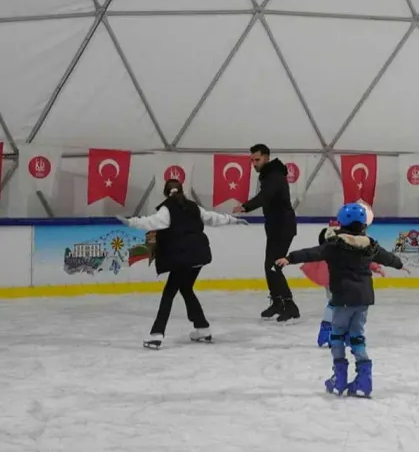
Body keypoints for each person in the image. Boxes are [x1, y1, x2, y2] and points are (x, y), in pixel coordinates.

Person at [276, 203, 404, 398]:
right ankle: (364, 381)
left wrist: (289, 258)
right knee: (357, 337)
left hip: (343, 298)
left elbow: (313, 253)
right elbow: (387, 257)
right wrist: (400, 264)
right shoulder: (370, 245)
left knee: (337, 336)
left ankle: (340, 378)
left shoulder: (335, 245)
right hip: (363, 300)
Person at [117, 179, 247, 349]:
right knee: (185, 289)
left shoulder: (167, 208)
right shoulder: (193, 206)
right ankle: (202, 328)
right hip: (200, 254)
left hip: (183, 257)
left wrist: (131, 222)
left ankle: (157, 334)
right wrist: (233, 220)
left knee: (169, 293)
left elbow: (152, 222)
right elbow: (212, 217)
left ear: (166, 192)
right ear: (182, 190)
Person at [304, 220, 399, 348]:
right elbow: (360, 256)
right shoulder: (345, 240)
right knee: (338, 304)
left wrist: (376, 267)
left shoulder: (335, 239)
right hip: (337, 277)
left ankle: (333, 331)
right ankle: (332, 331)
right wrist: (376, 267)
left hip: (334, 276)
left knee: (338, 304)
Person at [233, 144, 300, 323]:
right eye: (252, 160)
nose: (254, 163)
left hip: (283, 226)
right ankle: (278, 302)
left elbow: (266, 196)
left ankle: (290, 305)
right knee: (269, 265)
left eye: (257, 159)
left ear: (267, 158)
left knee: (273, 265)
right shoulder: (270, 174)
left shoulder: (274, 176)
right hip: (276, 226)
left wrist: (246, 206)